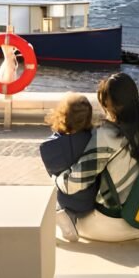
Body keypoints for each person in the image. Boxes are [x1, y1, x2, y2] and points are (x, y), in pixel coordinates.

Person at [53, 73, 139, 243]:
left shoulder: (108, 135)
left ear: (108, 104)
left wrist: (57, 179)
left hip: (112, 225)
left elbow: (76, 183)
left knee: (59, 183)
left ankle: (66, 218)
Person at [40, 93, 97, 226]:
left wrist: (60, 130)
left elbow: (53, 174)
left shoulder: (48, 147)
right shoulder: (96, 138)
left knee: (56, 181)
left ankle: (65, 214)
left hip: (67, 201)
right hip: (93, 200)